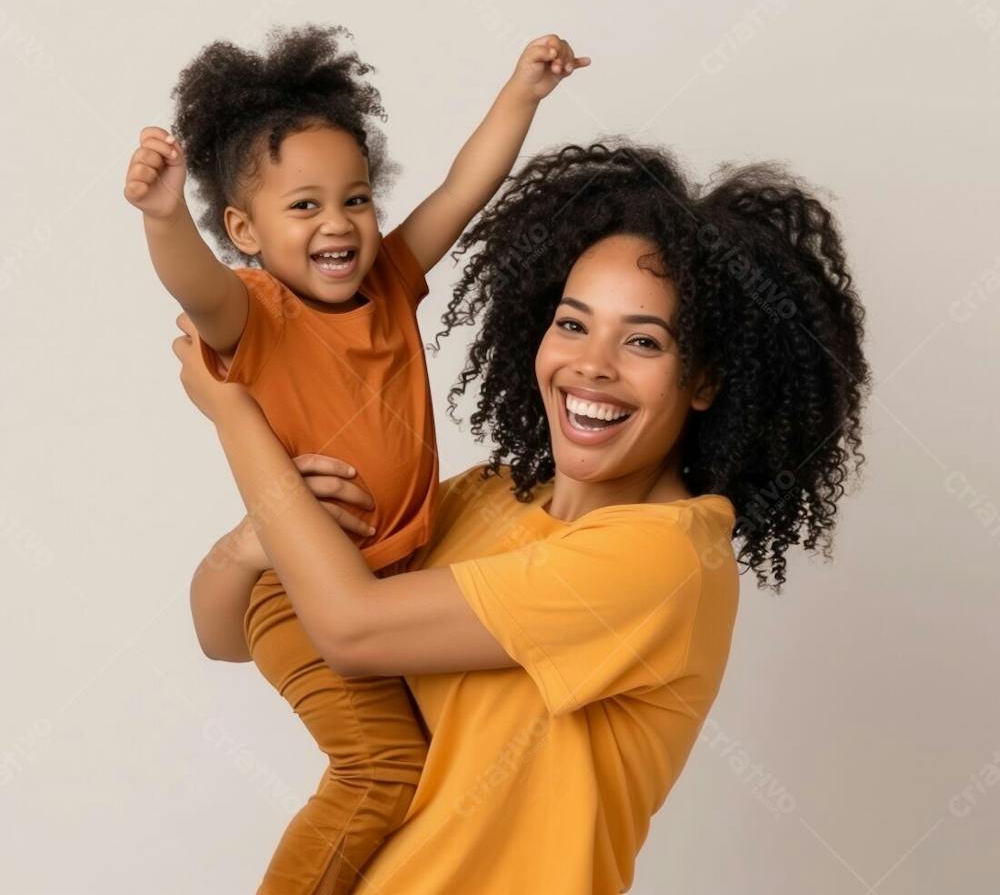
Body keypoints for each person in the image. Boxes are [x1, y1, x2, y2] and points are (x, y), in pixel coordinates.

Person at [174, 140, 871, 893]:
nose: (592, 365)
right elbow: (223, 636)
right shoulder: (485, 497)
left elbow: (350, 627)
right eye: (573, 324)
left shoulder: (665, 559)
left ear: (703, 379)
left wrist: (234, 415)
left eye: (642, 341)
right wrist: (252, 544)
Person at [124, 23, 589, 894]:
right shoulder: (253, 315)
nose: (338, 224)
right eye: (304, 206)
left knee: (444, 778)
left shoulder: (391, 281)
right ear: (244, 229)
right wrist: (161, 220)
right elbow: (195, 284)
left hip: (388, 586)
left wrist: (522, 92)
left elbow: (465, 186)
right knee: (380, 771)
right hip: (301, 595)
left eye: (356, 199)